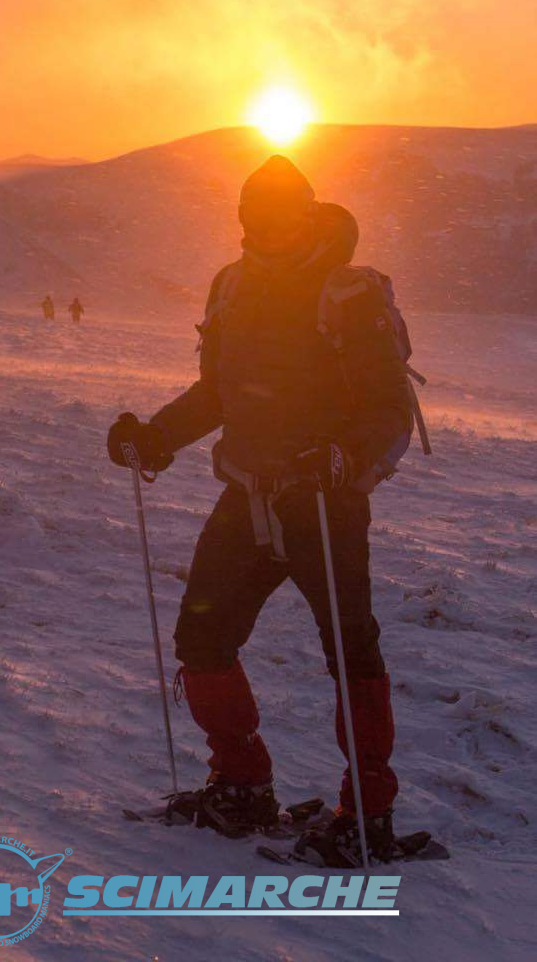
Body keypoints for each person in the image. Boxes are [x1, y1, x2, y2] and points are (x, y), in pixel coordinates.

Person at [107, 155, 413, 864]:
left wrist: (342, 462)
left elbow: (387, 408)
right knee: (203, 641)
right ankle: (242, 783)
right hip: (247, 493)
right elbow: (220, 391)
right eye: (253, 215)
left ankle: (367, 814)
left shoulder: (347, 294)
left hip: (325, 507)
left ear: (306, 213)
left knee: (349, 651)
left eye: (279, 214)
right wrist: (155, 438)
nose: (264, 228)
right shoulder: (234, 285)